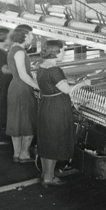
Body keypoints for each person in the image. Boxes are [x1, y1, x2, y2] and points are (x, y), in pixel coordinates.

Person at [36, 40, 76, 187]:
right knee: (54, 141)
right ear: (56, 52)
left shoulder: (41, 66)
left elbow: (51, 84)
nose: (64, 53)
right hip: (57, 108)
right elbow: (66, 89)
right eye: (63, 50)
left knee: (47, 140)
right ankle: (49, 177)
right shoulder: (55, 70)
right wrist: (83, 84)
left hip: (46, 105)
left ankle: (46, 173)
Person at [5, 26, 39, 163]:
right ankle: (24, 154)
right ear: (23, 35)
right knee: (27, 121)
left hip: (15, 86)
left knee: (16, 121)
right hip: (22, 88)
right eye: (30, 34)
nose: (32, 37)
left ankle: (16, 153)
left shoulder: (13, 48)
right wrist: (38, 86)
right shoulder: (19, 52)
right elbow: (24, 75)